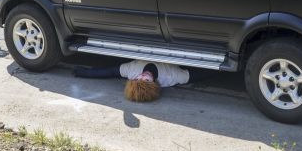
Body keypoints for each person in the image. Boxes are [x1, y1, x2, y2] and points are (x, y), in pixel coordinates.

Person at [72, 60, 210, 102]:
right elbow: (197, 75)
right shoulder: (173, 76)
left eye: (138, 79)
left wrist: (82, 72)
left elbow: (110, 72)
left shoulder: (132, 71)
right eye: (146, 80)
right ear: (154, 83)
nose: (142, 76)